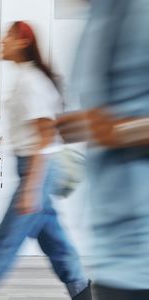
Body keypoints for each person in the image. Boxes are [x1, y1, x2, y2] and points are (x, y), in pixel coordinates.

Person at [0, 22, 91, 300]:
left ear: (21, 42)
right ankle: (81, 290)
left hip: (37, 168)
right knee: (54, 240)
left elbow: (44, 135)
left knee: (6, 241)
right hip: (34, 167)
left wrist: (31, 187)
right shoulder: (26, 78)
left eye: (7, 37)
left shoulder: (31, 82)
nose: (1, 42)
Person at [57, 1, 149, 299]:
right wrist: (81, 125)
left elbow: (111, 126)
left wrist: (115, 131)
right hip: (110, 245)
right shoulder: (96, 14)